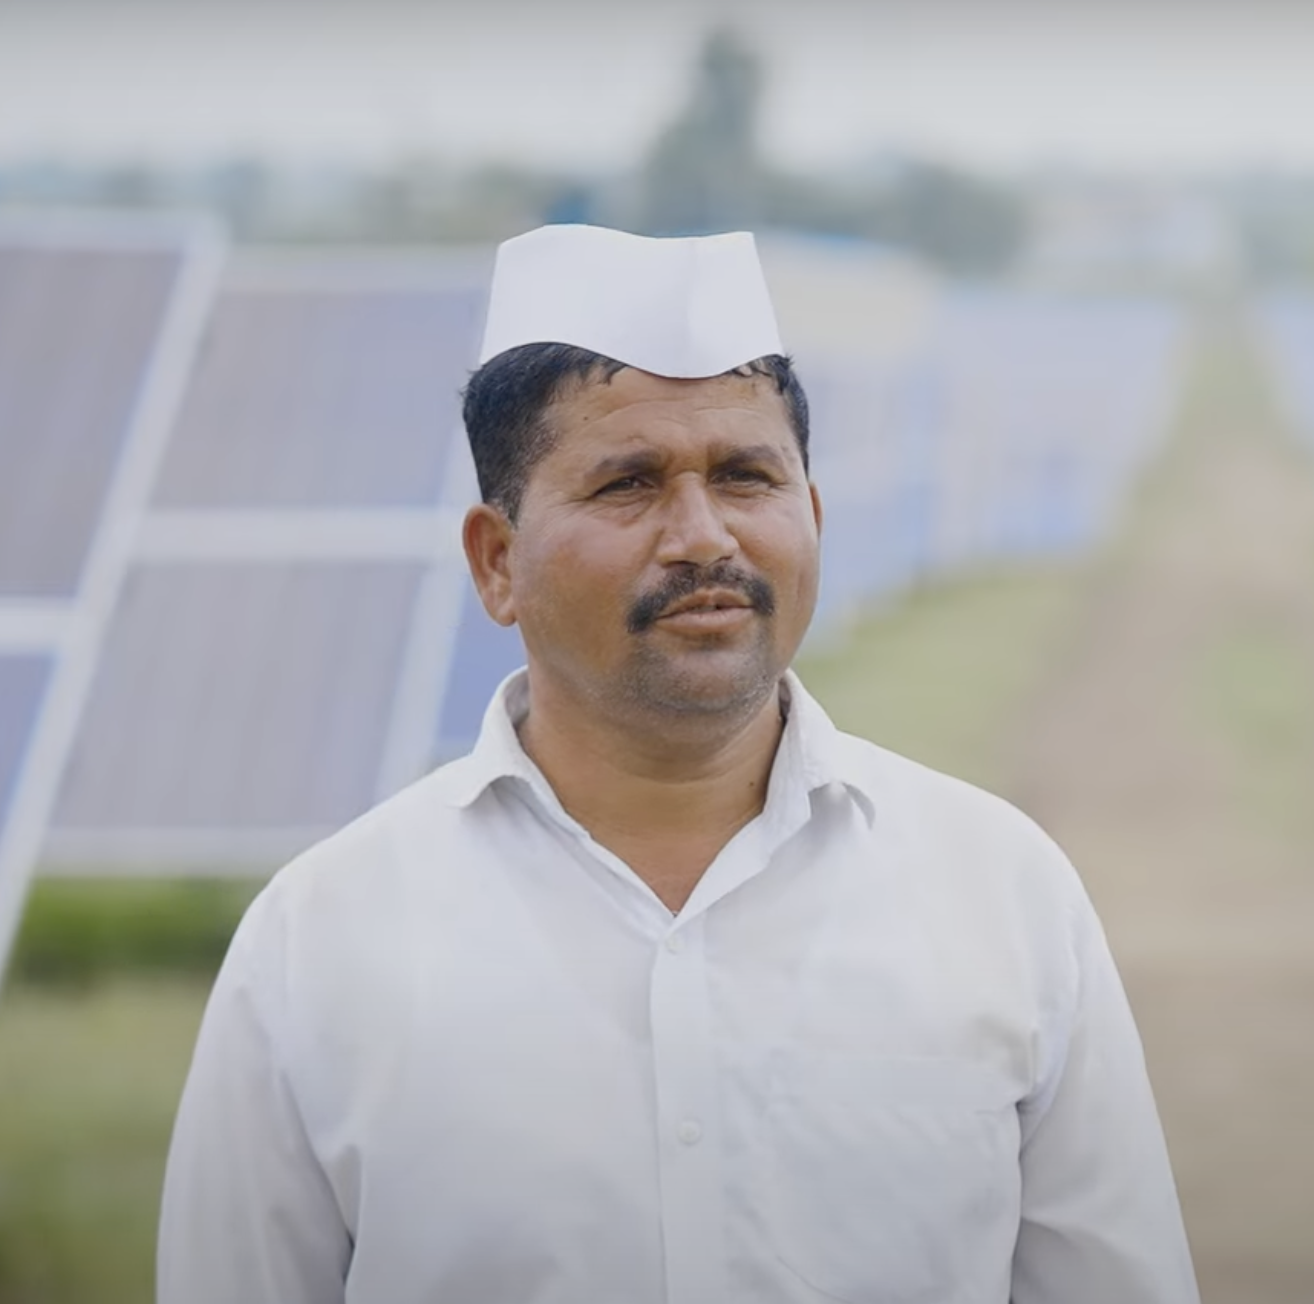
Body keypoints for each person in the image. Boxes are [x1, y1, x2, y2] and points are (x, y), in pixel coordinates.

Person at [157, 224, 1199, 1304]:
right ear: (497, 560)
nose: (703, 536)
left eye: (747, 476)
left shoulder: (1002, 890)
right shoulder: (320, 939)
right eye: (629, 484)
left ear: (814, 518)